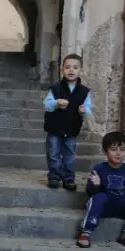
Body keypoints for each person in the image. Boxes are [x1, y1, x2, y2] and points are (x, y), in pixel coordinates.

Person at [76, 131, 125, 249]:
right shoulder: (99, 168)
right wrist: (96, 185)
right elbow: (90, 194)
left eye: (122, 149)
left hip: (124, 206)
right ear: (105, 151)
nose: (118, 153)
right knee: (99, 197)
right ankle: (86, 231)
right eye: (114, 149)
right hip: (106, 206)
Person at [43, 54, 91, 190]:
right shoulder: (55, 88)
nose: (71, 70)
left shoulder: (84, 91)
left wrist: (84, 111)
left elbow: (87, 109)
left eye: (75, 67)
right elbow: (47, 105)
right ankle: (54, 176)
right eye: (67, 67)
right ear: (62, 69)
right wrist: (56, 103)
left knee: (69, 155)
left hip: (71, 128)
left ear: (80, 70)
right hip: (54, 127)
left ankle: (68, 178)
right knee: (53, 153)